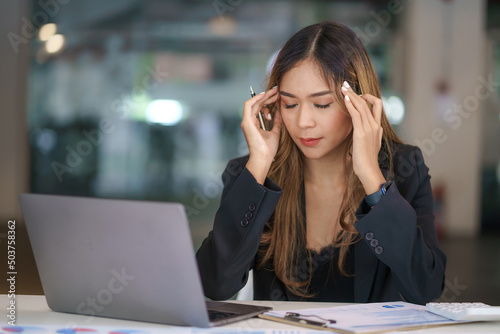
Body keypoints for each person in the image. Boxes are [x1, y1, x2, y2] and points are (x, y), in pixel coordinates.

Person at [196, 21, 446, 304]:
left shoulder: (404, 168)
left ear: (358, 103)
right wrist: (259, 166)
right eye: (290, 104)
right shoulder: (252, 174)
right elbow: (214, 285)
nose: (303, 122)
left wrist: (372, 181)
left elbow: (425, 287)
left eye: (322, 104)